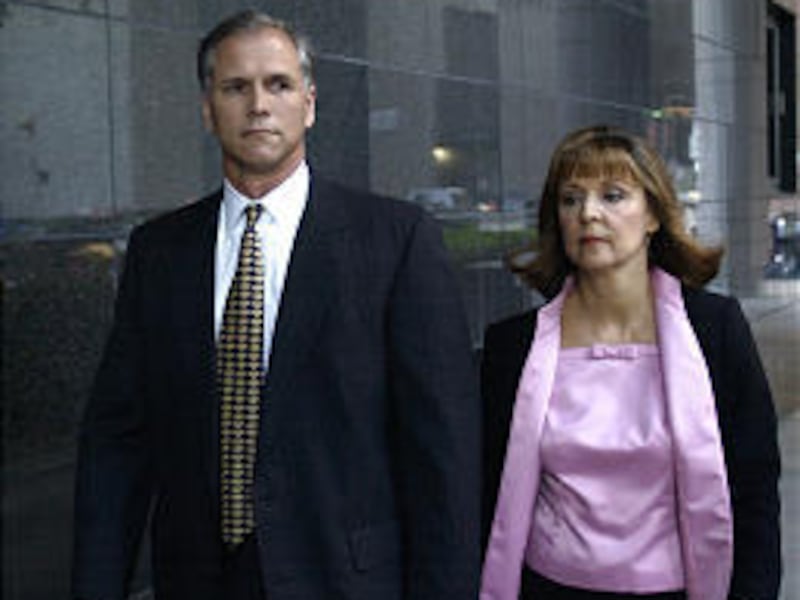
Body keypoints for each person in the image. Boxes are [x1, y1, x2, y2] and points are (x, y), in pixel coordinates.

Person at [72, 10, 480, 600]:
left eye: (278, 84)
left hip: (347, 581)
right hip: (197, 579)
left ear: (309, 104)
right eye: (236, 87)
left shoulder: (396, 241)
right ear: (207, 109)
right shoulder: (159, 252)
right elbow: (118, 444)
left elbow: (442, 453)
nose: (258, 105)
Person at [480, 125, 781, 600]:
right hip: (549, 588)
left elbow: (756, 487)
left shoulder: (715, 329)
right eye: (571, 199)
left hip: (681, 589)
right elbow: (485, 492)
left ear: (654, 216)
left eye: (613, 195)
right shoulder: (512, 347)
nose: (589, 213)